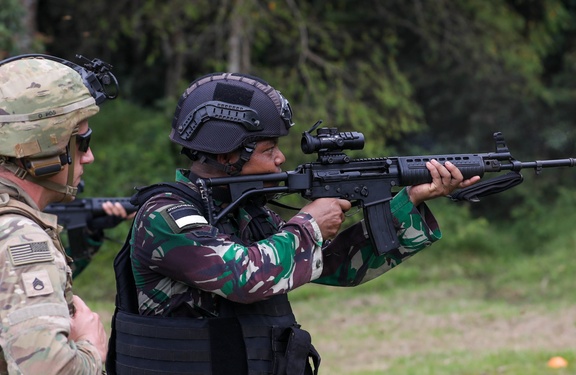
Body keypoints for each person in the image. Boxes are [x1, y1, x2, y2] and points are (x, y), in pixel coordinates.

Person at [108, 73, 480, 375]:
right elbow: (243, 277)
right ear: (226, 154)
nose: (281, 158)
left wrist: (410, 200)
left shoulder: (249, 213)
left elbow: (337, 267)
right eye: (269, 150)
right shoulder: (165, 216)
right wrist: (309, 225)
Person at [0, 54, 118, 374]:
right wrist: (92, 346)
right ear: (45, 148)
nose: (89, 156)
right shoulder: (19, 238)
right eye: (82, 142)